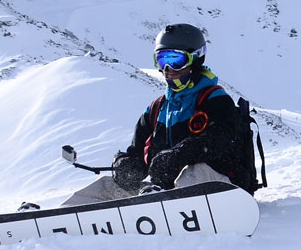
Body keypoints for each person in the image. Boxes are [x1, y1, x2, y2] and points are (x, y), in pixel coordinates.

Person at [66, 23, 256, 204]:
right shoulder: (157, 109)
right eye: (162, 60)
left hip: (225, 190)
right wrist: (127, 166)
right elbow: (137, 152)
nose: (168, 70)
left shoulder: (215, 99)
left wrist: (179, 156)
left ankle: (166, 210)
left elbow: (221, 141)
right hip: (165, 192)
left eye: (176, 60)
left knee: (191, 174)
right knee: (105, 187)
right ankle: (57, 222)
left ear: (196, 60)